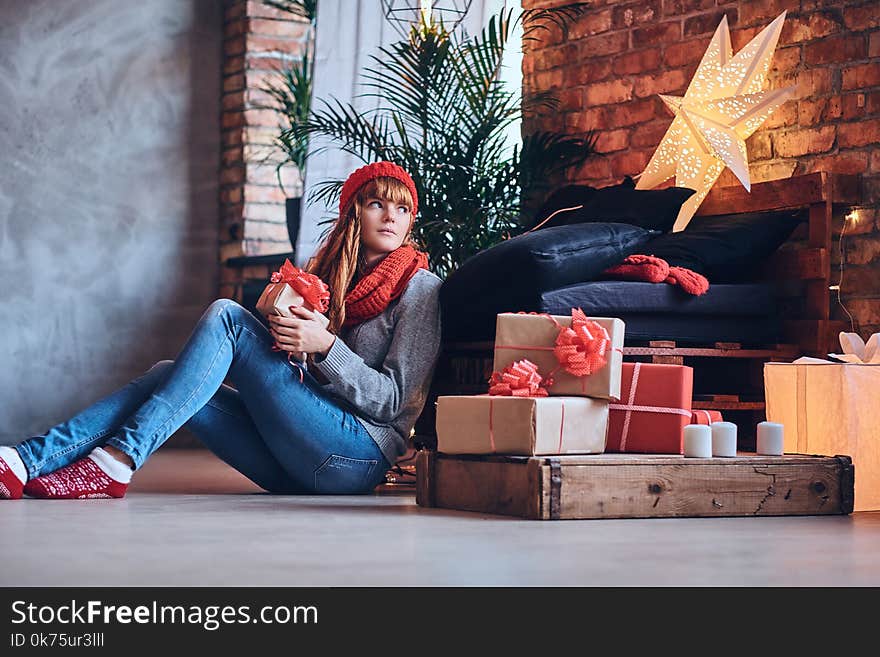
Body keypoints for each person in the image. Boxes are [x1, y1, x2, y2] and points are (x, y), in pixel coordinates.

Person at [0, 161, 442, 499]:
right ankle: (24, 461)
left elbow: (395, 404)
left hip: (354, 458)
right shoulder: (329, 279)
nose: (391, 217)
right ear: (353, 214)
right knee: (165, 374)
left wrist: (327, 348)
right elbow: (312, 389)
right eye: (377, 204)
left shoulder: (420, 288)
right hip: (293, 457)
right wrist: (292, 343)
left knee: (228, 318)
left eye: (403, 208)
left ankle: (118, 459)